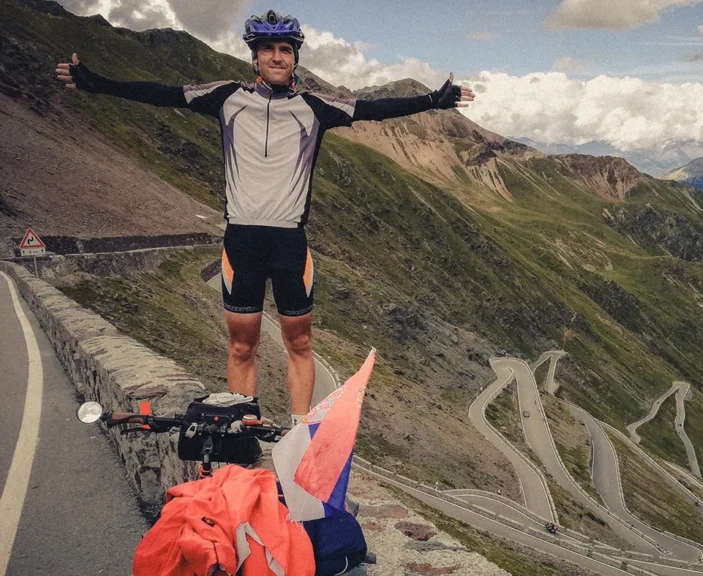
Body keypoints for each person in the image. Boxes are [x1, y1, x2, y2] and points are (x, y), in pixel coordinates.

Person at [56, 10, 474, 425]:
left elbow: (374, 108)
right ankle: (245, 425)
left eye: (285, 49)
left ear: (295, 58)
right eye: (267, 49)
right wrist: (96, 84)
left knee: (301, 343)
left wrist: (434, 101)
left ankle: (299, 432)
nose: (277, 56)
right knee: (242, 347)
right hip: (242, 243)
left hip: (289, 243)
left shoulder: (316, 107)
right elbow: (160, 93)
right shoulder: (226, 97)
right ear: (254, 58)